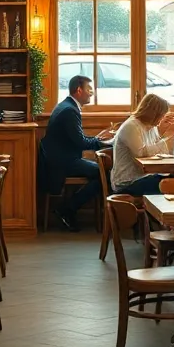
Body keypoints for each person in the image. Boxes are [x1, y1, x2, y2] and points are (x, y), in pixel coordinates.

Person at [38, 74, 114, 232]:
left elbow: (78, 139)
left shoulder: (67, 106)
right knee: (104, 174)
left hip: (60, 158)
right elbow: (80, 142)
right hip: (62, 162)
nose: (91, 93)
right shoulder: (70, 111)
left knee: (101, 172)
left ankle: (68, 208)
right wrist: (104, 142)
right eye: (89, 89)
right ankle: (67, 209)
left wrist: (98, 139)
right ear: (79, 90)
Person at [110, 94, 174, 196]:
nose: (162, 119)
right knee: (169, 184)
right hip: (127, 182)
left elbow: (155, 148)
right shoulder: (131, 126)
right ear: (153, 114)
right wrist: (167, 141)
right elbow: (141, 153)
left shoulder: (150, 126)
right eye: (161, 115)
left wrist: (168, 134)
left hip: (143, 176)